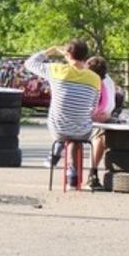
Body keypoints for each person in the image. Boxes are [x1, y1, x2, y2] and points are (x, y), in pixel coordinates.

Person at [25, 41, 100, 190]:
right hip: (83, 130)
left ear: (68, 54)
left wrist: (48, 51)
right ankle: (73, 176)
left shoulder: (57, 70)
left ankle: (58, 147)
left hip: (58, 128)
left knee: (65, 129)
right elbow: (93, 106)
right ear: (85, 56)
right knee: (77, 135)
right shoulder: (95, 78)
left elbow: (29, 63)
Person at [85, 56, 116, 189]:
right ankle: (91, 173)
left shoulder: (96, 81)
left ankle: (91, 173)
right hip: (101, 116)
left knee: (100, 133)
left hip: (99, 117)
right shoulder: (107, 79)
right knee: (100, 134)